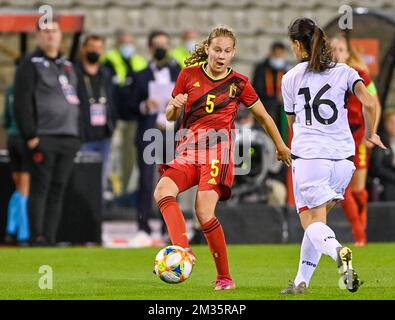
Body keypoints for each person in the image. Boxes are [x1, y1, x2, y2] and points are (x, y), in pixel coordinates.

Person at [153, 26, 292, 290]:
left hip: (218, 152)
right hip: (189, 150)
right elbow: (171, 117)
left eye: (227, 51)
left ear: (233, 53)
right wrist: (173, 107)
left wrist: (280, 145)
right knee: (162, 191)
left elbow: (263, 116)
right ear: (207, 49)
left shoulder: (239, 83)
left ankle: (224, 278)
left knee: (203, 212)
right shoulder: (188, 75)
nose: (221, 55)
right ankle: (183, 250)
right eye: (217, 50)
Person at [280, 18, 386, 294]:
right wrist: (371, 133)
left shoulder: (291, 77)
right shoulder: (346, 72)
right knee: (317, 222)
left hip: (311, 158)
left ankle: (339, 252)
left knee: (309, 221)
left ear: (296, 44)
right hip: (343, 160)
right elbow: (370, 102)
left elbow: (292, 123)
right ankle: (301, 281)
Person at [14, 19, 81, 246]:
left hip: (68, 137)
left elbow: (76, 100)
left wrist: (78, 135)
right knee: (41, 187)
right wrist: (30, 135)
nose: (50, 35)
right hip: (44, 136)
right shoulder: (29, 63)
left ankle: (50, 238)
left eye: (54, 31)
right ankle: (36, 236)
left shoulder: (68, 64)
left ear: (61, 35)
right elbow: (21, 102)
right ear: (38, 37)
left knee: (58, 188)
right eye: (46, 31)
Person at [130, 30, 181, 246]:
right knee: (145, 180)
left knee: (169, 182)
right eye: (157, 44)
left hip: (171, 132)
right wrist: (144, 105)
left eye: (164, 44)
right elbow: (127, 104)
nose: (161, 48)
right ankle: (143, 226)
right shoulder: (139, 75)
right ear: (150, 48)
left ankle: (167, 227)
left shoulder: (179, 73)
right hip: (149, 131)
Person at [331, 33, 382, 246]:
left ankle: (362, 230)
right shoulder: (323, 76)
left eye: (340, 50)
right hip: (336, 138)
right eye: (332, 50)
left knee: (358, 189)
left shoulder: (360, 75)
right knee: (342, 190)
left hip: (358, 135)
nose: (336, 54)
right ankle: (359, 232)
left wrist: (372, 132)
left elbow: (374, 104)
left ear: (348, 53)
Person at [103, 30, 147, 195]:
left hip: (131, 118)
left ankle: (125, 191)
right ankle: (111, 188)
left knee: (129, 156)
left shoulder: (140, 63)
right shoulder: (108, 61)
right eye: (123, 43)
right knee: (111, 154)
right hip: (113, 117)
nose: (126, 46)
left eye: (129, 43)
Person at [76, 34, 117, 193]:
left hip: (104, 135)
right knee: (82, 179)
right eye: (92, 47)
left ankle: (97, 215)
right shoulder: (74, 72)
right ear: (83, 48)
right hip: (83, 135)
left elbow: (113, 101)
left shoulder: (106, 74)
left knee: (101, 180)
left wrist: (113, 124)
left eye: (99, 48)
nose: (95, 51)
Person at [2, 72, 30, 245]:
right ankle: (23, 234)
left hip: (11, 140)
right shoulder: (29, 89)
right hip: (25, 139)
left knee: (18, 187)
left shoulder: (11, 89)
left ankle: (10, 229)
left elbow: (5, 118)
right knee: (25, 190)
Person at [370, 108, 395, 201]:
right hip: (386, 182)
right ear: (386, 125)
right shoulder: (381, 142)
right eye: (392, 123)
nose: (394, 126)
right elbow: (377, 168)